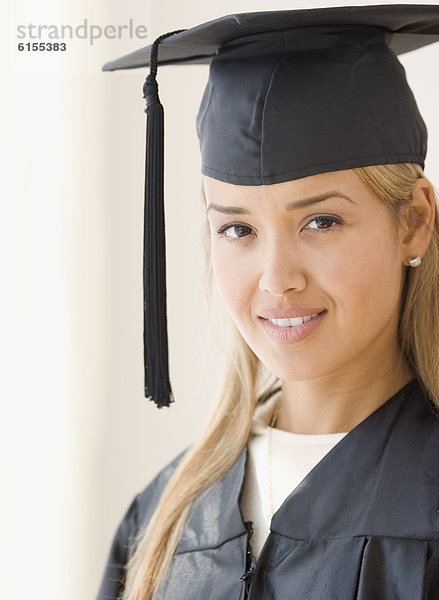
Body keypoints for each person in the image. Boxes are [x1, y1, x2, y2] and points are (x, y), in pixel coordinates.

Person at [98, 5, 439, 600]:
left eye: (321, 221)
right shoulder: (163, 516)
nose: (276, 279)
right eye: (237, 230)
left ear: (413, 222)